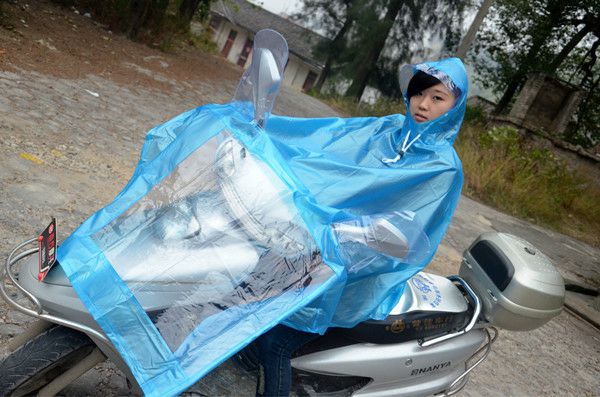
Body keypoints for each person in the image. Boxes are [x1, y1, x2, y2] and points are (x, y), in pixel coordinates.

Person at [253, 58, 466, 397]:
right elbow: (325, 137)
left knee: (276, 342)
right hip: (309, 245)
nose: (424, 104)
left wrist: (339, 236)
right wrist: (263, 127)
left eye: (438, 98)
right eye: (419, 93)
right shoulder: (388, 129)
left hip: (353, 274)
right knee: (245, 291)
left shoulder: (443, 167)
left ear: (456, 106)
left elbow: (404, 237)